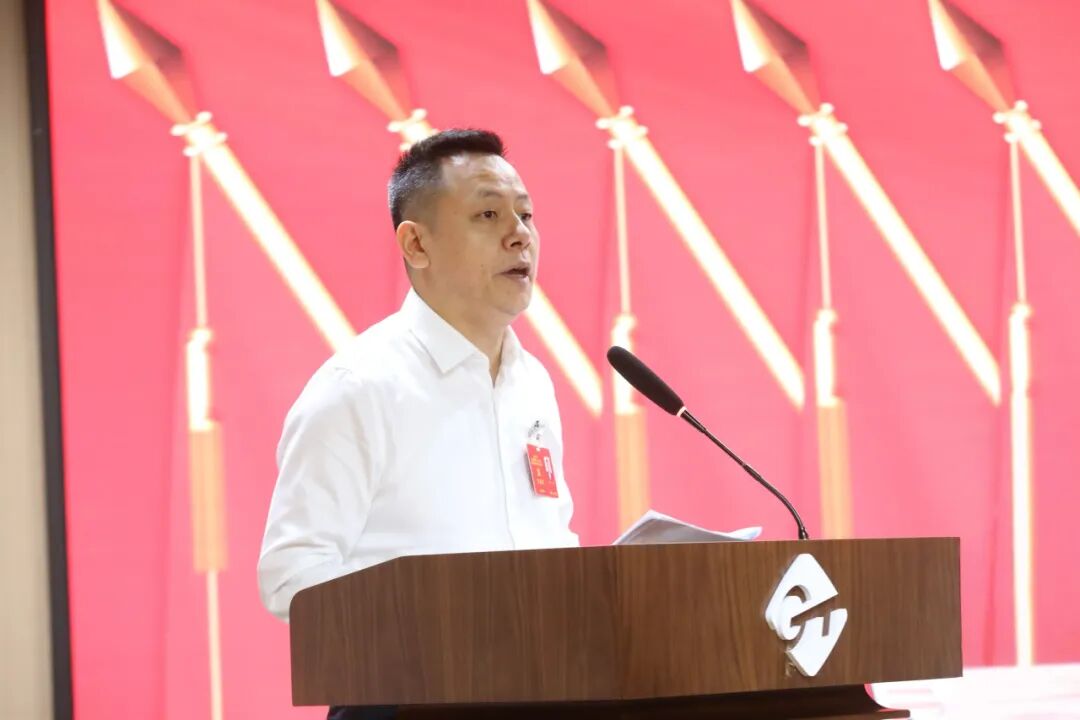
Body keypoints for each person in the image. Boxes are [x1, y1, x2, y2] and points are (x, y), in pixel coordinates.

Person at [257, 129, 580, 719]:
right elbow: (291, 578)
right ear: (416, 244)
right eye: (488, 214)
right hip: (406, 701)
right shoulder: (359, 387)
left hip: (536, 695)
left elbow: (545, 538)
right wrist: (440, 626)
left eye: (526, 214)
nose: (519, 234)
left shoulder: (531, 382)